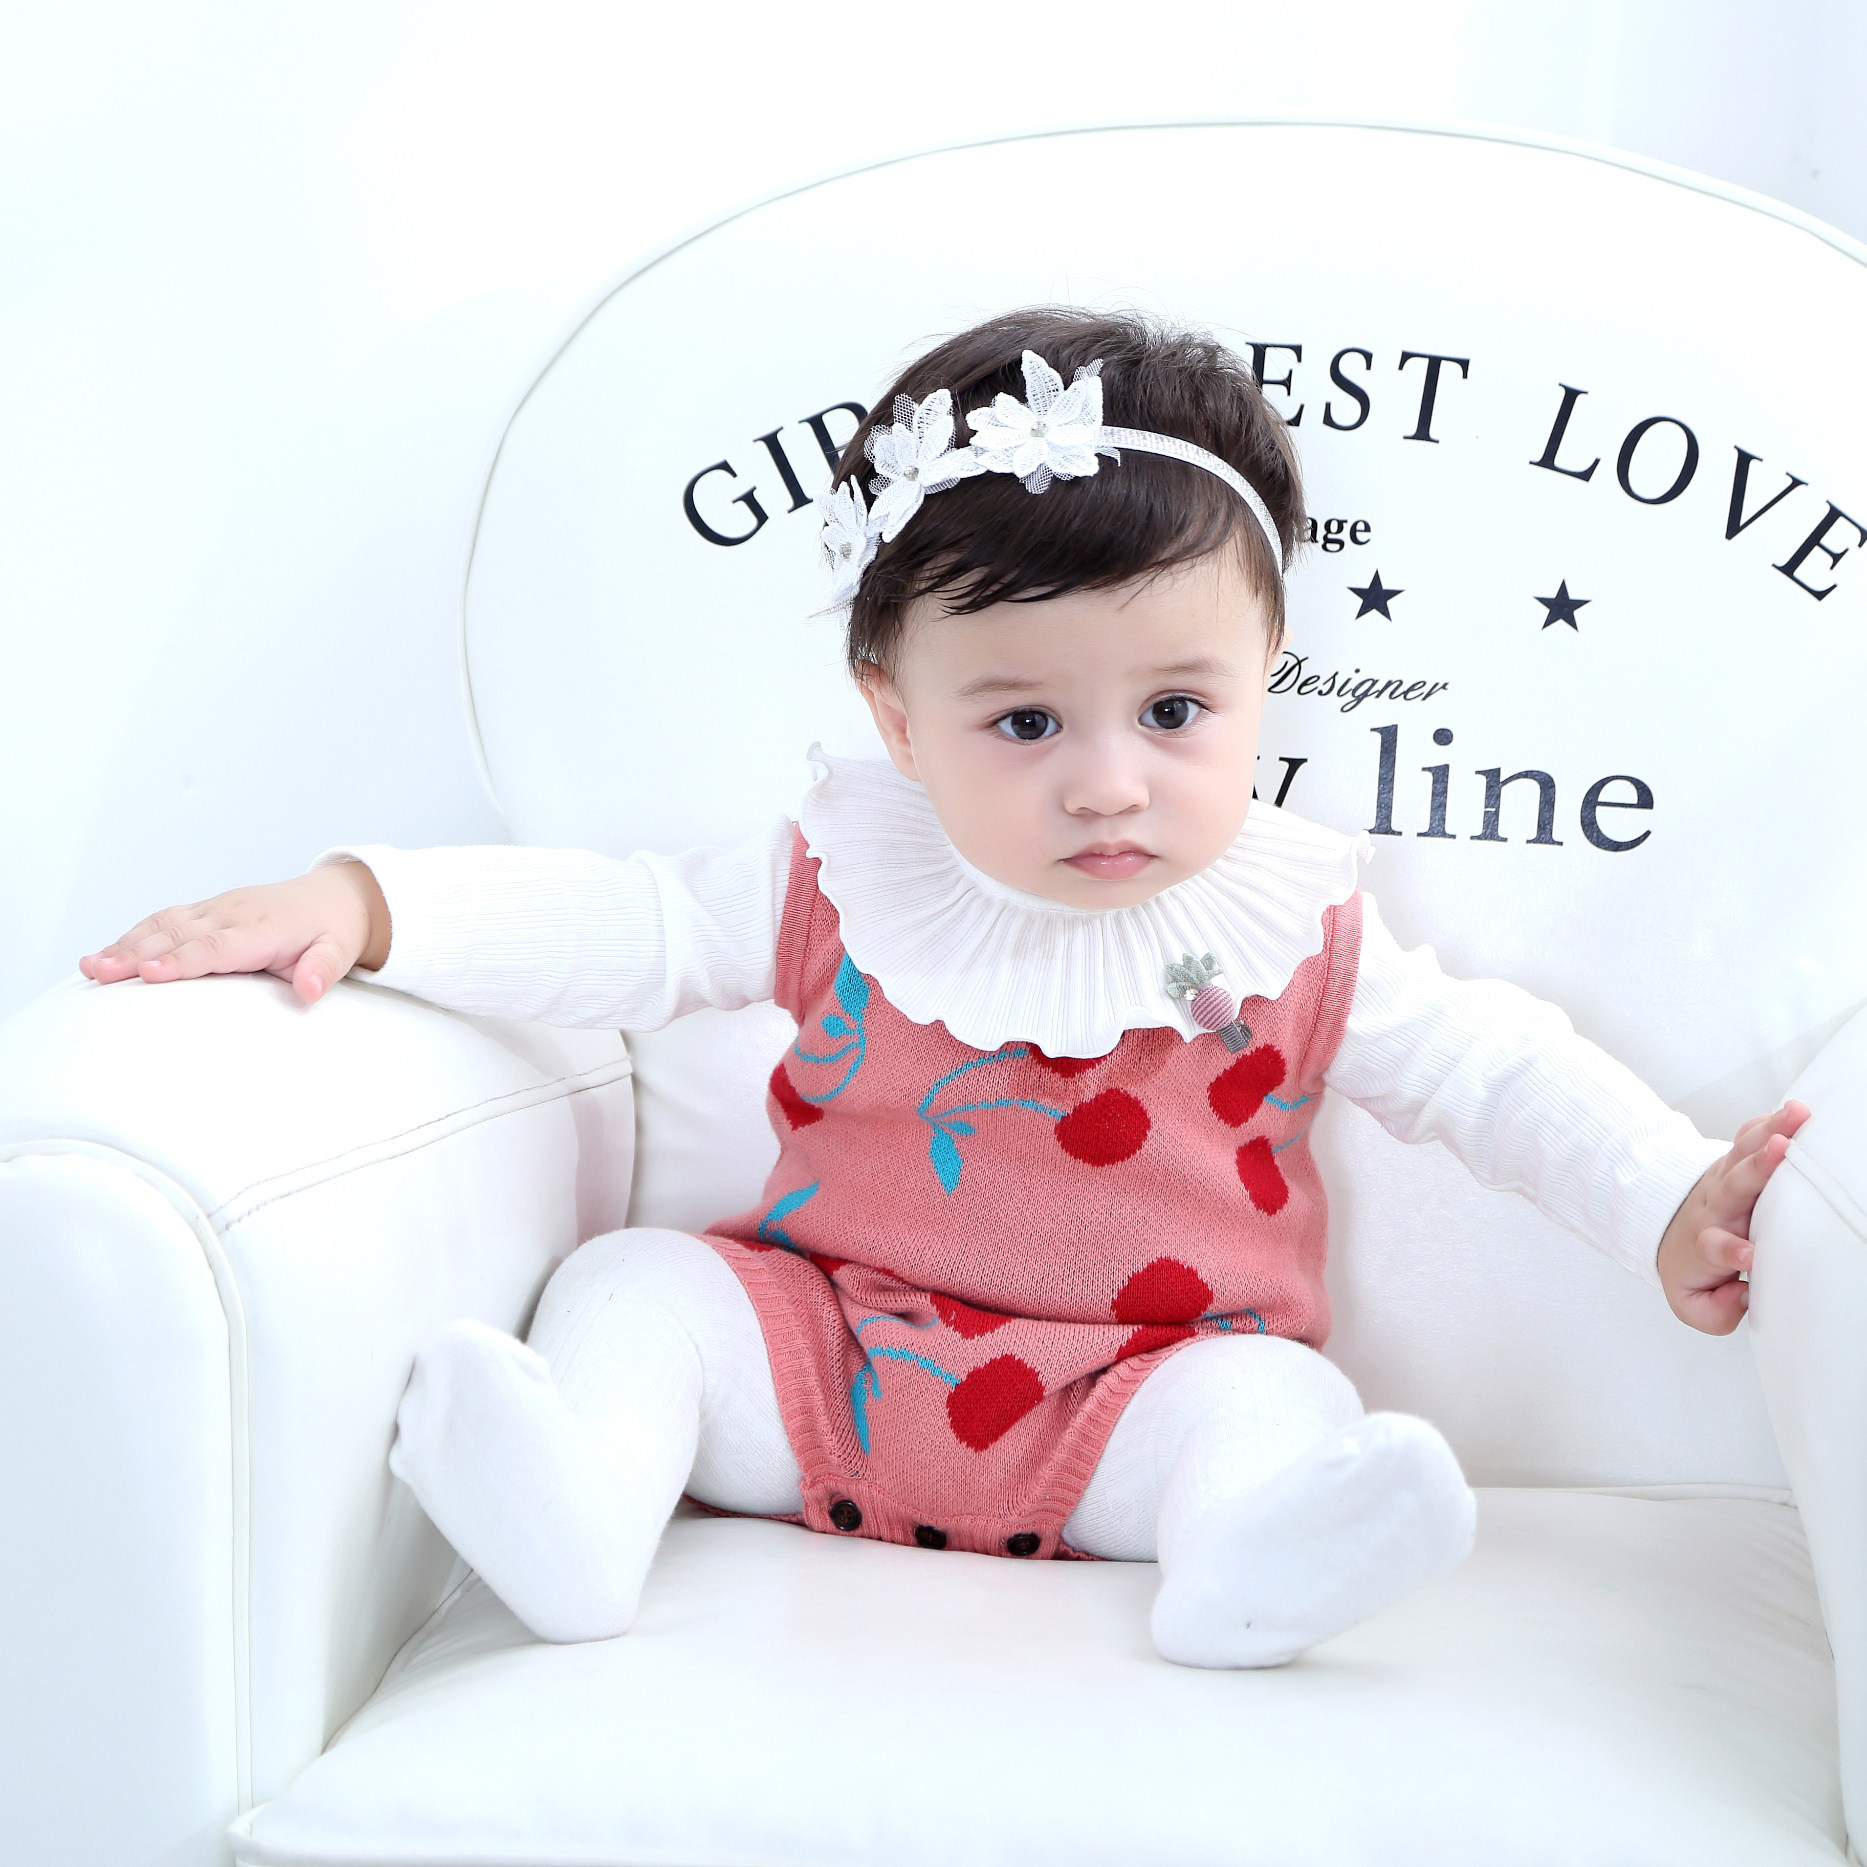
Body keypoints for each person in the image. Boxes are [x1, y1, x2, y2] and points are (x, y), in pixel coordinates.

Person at [79, 308, 1807, 1666]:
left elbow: (1494, 1075)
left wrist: (1669, 1198)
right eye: (1025, 721)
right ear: (898, 717)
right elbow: (619, 926)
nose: (1110, 783)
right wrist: (369, 904)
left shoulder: (1296, 933)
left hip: (1138, 1406)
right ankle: (586, 1507)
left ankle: (1246, 1564)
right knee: (637, 1281)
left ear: (1268, 673)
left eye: (1178, 711)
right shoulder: (839, 880)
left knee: (1280, 1409)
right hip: (823, 1367)